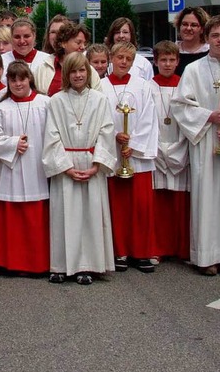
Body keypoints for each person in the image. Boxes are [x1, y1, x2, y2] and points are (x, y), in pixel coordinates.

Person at [43, 52, 117, 285]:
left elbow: (107, 132)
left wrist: (97, 165)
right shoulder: (55, 100)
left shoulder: (99, 99)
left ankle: (88, 265)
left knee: (89, 216)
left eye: (82, 70)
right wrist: (65, 167)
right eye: (73, 71)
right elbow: (51, 136)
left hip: (91, 161)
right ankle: (61, 265)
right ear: (66, 74)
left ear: (88, 73)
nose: (78, 75)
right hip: (66, 165)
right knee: (64, 216)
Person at [101, 41, 158, 273]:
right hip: (113, 155)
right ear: (111, 58)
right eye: (120, 57)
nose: (124, 62)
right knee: (118, 206)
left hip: (137, 158)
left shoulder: (143, 86)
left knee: (141, 206)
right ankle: (119, 251)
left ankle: (142, 252)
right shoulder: (101, 86)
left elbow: (149, 118)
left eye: (129, 59)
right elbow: (99, 118)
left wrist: (133, 144)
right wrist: (114, 135)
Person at [172, 15, 220, 275]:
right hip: (205, 140)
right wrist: (208, 116)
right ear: (208, 37)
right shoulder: (194, 70)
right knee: (206, 198)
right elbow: (180, 105)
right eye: (215, 36)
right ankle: (207, 257)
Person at [0, 60, 50, 275]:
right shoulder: (0, 107)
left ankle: (37, 263)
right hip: (10, 172)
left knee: (35, 218)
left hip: (37, 169)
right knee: (12, 219)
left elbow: (54, 135)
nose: (18, 84)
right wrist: (13, 143)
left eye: (22, 79)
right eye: (13, 80)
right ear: (8, 82)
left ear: (30, 79)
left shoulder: (45, 103)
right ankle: (11, 262)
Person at [149, 41, 190, 262]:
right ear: (155, 62)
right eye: (162, 60)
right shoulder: (148, 87)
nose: (167, 64)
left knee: (179, 203)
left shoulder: (185, 86)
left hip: (180, 147)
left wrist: (178, 148)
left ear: (178, 62)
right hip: (155, 151)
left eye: (171, 60)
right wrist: (158, 149)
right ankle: (157, 247)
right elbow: (145, 122)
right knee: (158, 203)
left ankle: (181, 248)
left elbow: (190, 119)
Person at [34, 22, 100, 97]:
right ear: (63, 43)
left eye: (84, 43)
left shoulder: (90, 71)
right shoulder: (44, 68)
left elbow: (98, 100)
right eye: (78, 42)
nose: (83, 47)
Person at [1, 18, 47, 83]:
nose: (22, 41)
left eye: (26, 36)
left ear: (34, 36)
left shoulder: (46, 60)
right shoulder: (1, 61)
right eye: (17, 37)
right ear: (11, 38)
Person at [174, 6, 210, 76]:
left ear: (202, 29)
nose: (188, 28)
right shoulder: (171, 51)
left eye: (194, 25)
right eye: (184, 24)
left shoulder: (211, 52)